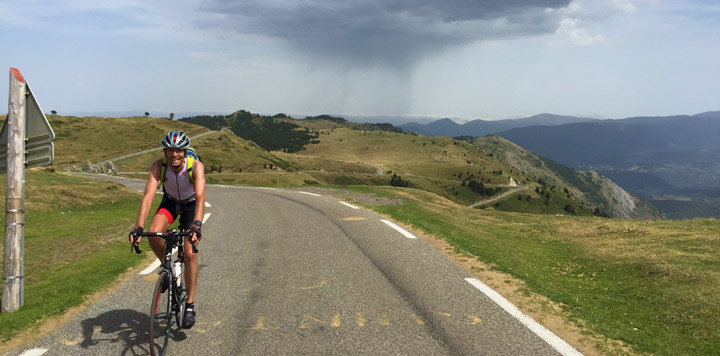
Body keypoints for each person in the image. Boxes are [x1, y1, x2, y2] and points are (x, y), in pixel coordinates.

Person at [129, 130, 206, 329]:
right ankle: (168, 267)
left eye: (179, 151)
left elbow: (200, 198)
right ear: (165, 151)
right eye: (171, 150)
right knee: (154, 234)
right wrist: (138, 226)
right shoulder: (158, 166)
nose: (175, 155)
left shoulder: (195, 166)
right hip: (170, 203)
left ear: (185, 151)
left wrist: (196, 226)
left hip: (190, 206)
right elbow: (148, 195)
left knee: (189, 253)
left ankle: (189, 304)